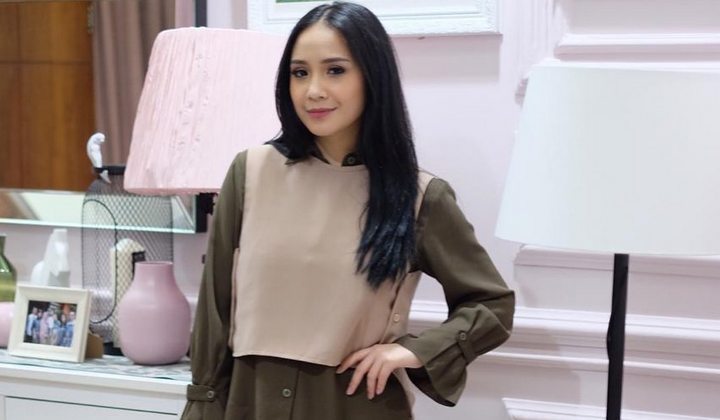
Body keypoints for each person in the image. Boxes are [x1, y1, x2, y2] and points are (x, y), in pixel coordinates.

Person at [182, 2, 515, 419]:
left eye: (335, 70)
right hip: (251, 405)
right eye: (299, 73)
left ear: (372, 77)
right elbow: (215, 311)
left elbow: (492, 305)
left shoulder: (419, 197)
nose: (313, 90)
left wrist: (413, 351)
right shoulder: (250, 173)